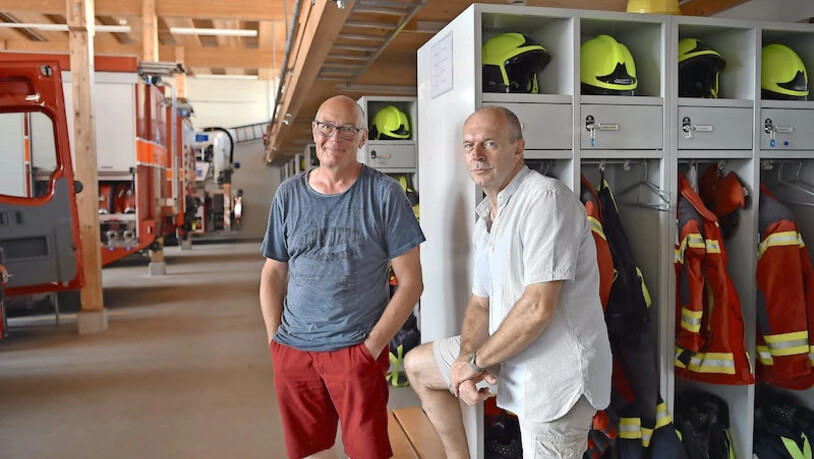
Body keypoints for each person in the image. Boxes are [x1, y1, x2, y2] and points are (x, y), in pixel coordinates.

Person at [404, 106, 612, 459]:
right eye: (468, 145)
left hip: (556, 377)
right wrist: (465, 361)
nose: (476, 154)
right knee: (419, 366)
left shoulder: (545, 200)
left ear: (518, 150)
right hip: (511, 353)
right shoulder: (487, 218)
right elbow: (480, 302)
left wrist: (475, 363)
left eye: (489, 143)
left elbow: (538, 307)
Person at [259, 95, 425, 459]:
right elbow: (273, 271)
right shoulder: (288, 195)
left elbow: (412, 282)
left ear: (363, 138)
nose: (335, 137)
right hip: (294, 351)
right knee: (309, 451)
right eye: (327, 127)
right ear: (314, 131)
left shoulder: (384, 194)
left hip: (356, 351)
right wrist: (275, 341)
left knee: (367, 452)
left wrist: (371, 348)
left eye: (348, 129)